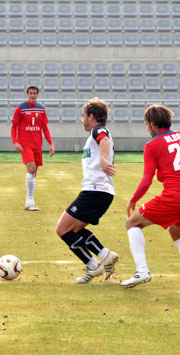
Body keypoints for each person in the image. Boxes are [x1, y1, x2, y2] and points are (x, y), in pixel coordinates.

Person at [121, 105, 180, 289]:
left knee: (132, 223)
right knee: (176, 232)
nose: (146, 128)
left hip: (175, 196)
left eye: (146, 124)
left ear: (153, 124)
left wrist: (134, 199)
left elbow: (147, 178)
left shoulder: (152, 145)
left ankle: (141, 271)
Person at [55, 98, 119, 284]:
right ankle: (105, 255)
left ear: (91, 116)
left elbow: (104, 140)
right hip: (101, 192)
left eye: (83, 116)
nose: (81, 119)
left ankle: (93, 266)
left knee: (62, 229)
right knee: (74, 229)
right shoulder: (95, 133)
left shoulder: (98, 130)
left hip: (95, 191)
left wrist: (103, 159)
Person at [11, 85, 55, 211]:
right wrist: (15, 142)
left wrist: (51, 143)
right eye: (30, 93)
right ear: (27, 94)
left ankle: (28, 201)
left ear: (37, 94)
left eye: (34, 93)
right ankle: (30, 201)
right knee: (30, 169)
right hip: (25, 145)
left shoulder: (41, 109)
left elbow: (45, 128)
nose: (32, 95)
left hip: (37, 145)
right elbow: (14, 127)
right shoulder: (20, 108)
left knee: (34, 173)